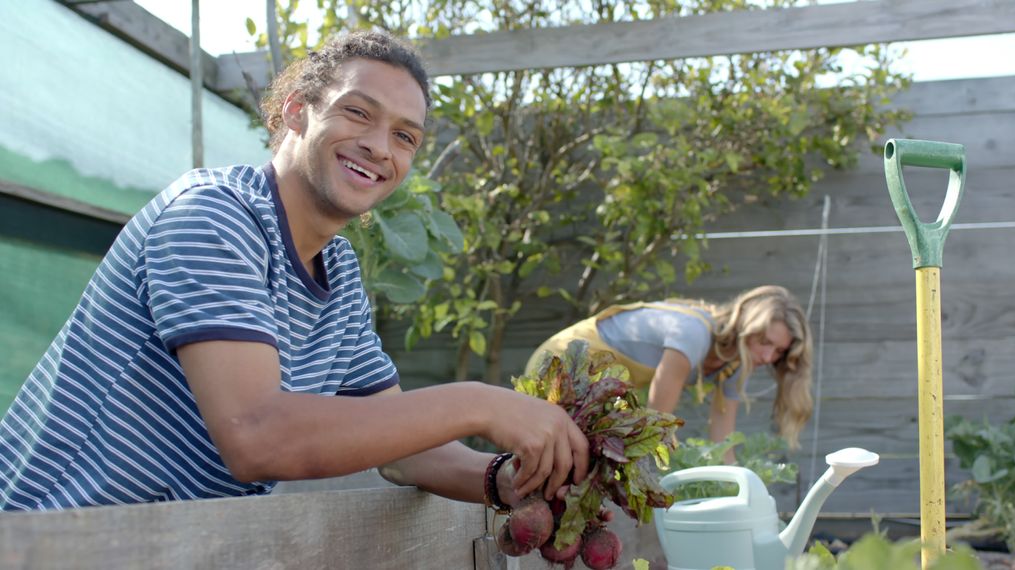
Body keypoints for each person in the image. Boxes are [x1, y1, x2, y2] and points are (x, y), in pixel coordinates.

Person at [0, 31, 589, 512]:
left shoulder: (338, 276)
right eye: (358, 112)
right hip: (49, 539)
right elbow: (256, 435)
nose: (381, 147)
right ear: (297, 112)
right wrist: (483, 403)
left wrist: (506, 481)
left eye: (405, 137)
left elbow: (405, 452)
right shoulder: (213, 217)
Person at [527, 285, 812, 462]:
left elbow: (723, 443)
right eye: (765, 342)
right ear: (746, 325)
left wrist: (735, 489)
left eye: (778, 352)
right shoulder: (694, 334)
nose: (767, 357)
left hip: (598, 386)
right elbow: (656, 422)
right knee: (557, 456)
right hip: (563, 361)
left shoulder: (739, 362)